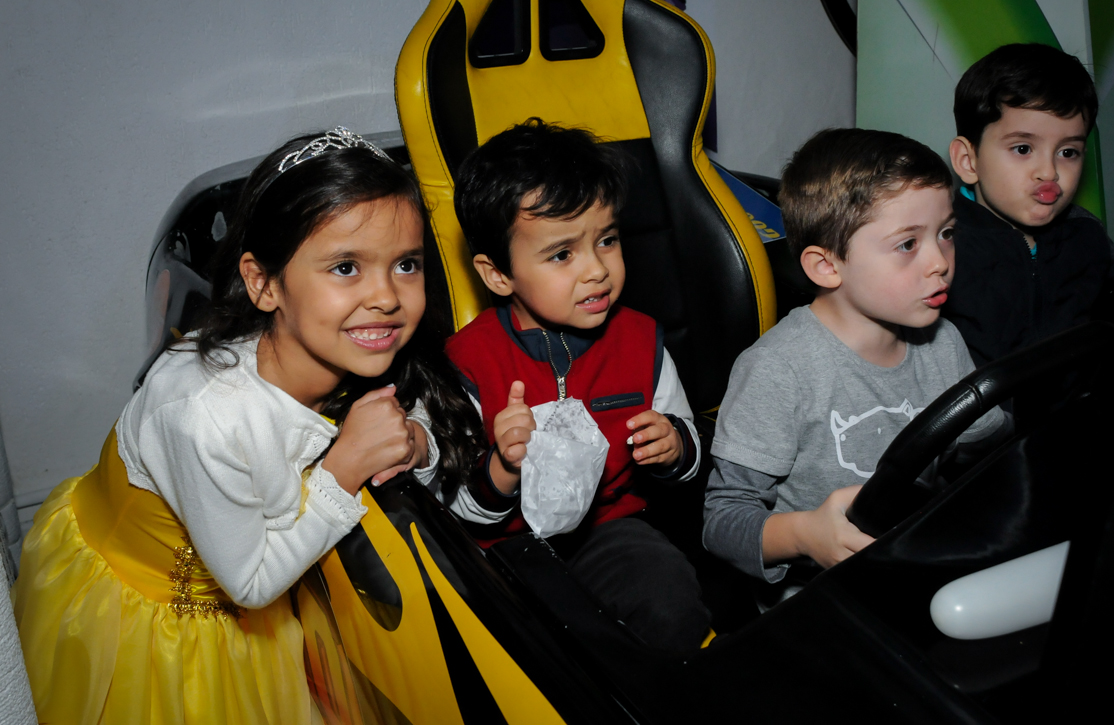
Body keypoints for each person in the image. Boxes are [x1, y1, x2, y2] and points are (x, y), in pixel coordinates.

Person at [12, 127, 484, 724]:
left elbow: (416, 413)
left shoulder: (351, 346)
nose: (386, 296)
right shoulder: (204, 414)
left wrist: (414, 441)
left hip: (278, 590)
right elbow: (254, 583)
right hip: (158, 623)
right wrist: (343, 470)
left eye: (406, 264)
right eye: (345, 267)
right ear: (263, 283)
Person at [703, 128, 1008, 606]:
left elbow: (986, 452)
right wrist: (805, 535)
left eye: (946, 233)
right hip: (817, 602)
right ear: (827, 267)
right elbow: (723, 524)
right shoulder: (778, 371)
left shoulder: (944, 341)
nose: (940, 262)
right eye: (908, 244)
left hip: (914, 570)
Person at [442, 118, 711, 653]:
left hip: (607, 530)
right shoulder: (466, 363)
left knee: (668, 596)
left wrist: (677, 447)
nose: (597, 270)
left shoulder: (641, 340)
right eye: (562, 254)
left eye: (607, 240)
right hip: (504, 548)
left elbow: (696, 451)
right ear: (498, 275)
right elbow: (452, 515)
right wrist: (500, 470)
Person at [944, 42, 1114, 367]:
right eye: (1022, 149)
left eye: (1068, 152)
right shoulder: (941, 249)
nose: (1049, 172)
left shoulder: (1085, 231)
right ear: (968, 160)